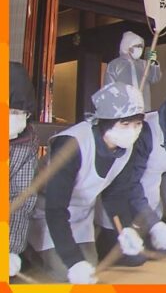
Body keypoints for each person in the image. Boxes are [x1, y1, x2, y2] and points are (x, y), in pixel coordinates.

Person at [28, 83, 145, 284]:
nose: (133, 132)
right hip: (47, 212)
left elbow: (115, 195)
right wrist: (73, 261)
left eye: (138, 124)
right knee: (66, 271)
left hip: (82, 216)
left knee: (92, 268)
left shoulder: (126, 147)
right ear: (104, 121)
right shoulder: (71, 144)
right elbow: (56, 208)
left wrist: (125, 229)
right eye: (125, 124)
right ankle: (28, 247)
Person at [97, 87, 166, 264]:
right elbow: (130, 183)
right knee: (135, 258)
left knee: (163, 251)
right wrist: (154, 224)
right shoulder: (145, 131)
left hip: (149, 207)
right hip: (123, 207)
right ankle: (105, 239)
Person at [8, 63, 40, 278]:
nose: (14, 118)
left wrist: (11, 250)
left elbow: (22, 198)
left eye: (20, 112)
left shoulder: (27, 142)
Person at [104, 31, 161, 112]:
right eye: (137, 46)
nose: (140, 49)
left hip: (143, 109)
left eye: (141, 46)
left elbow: (154, 79)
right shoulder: (114, 65)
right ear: (127, 47)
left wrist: (153, 63)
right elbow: (109, 89)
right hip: (123, 111)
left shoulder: (144, 64)